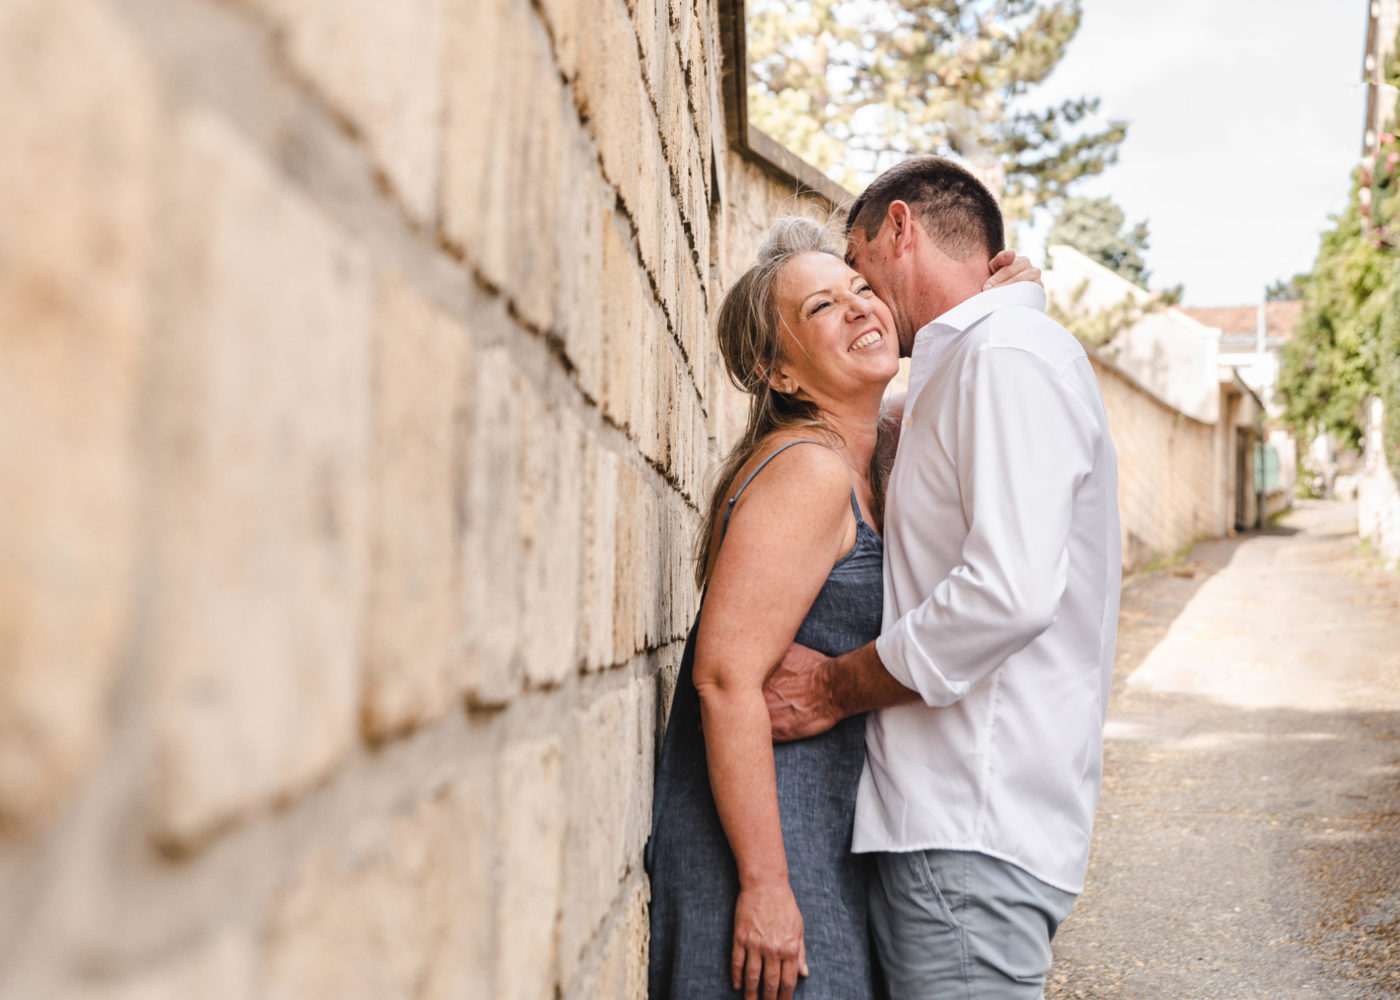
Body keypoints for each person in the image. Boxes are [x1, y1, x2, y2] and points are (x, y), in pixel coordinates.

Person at [646, 217, 1041, 1000]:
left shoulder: (866, 457)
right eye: (822, 308)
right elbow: (724, 682)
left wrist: (997, 306)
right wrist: (763, 886)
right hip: (763, 845)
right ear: (780, 374)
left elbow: (941, 401)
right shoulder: (809, 473)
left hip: (819, 835)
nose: (862, 308)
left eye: (861, 287)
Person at [762, 156, 1122, 999]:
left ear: (898, 229)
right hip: (951, 829)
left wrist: (834, 689)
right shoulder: (971, 362)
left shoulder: (1006, 359)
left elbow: (1008, 590)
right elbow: (873, 417)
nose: (859, 298)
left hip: (970, 825)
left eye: (857, 267)